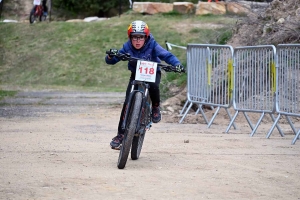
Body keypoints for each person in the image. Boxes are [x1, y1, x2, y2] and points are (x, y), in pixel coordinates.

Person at [105, 20, 185, 150]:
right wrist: (110, 56)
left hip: (153, 74)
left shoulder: (152, 45)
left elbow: (166, 55)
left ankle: (155, 107)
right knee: (126, 103)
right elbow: (113, 60)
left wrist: (177, 64)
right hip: (136, 74)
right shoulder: (127, 47)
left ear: (146, 37)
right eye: (134, 37)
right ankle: (121, 134)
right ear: (130, 37)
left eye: (141, 37)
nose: (137, 41)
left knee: (154, 86)